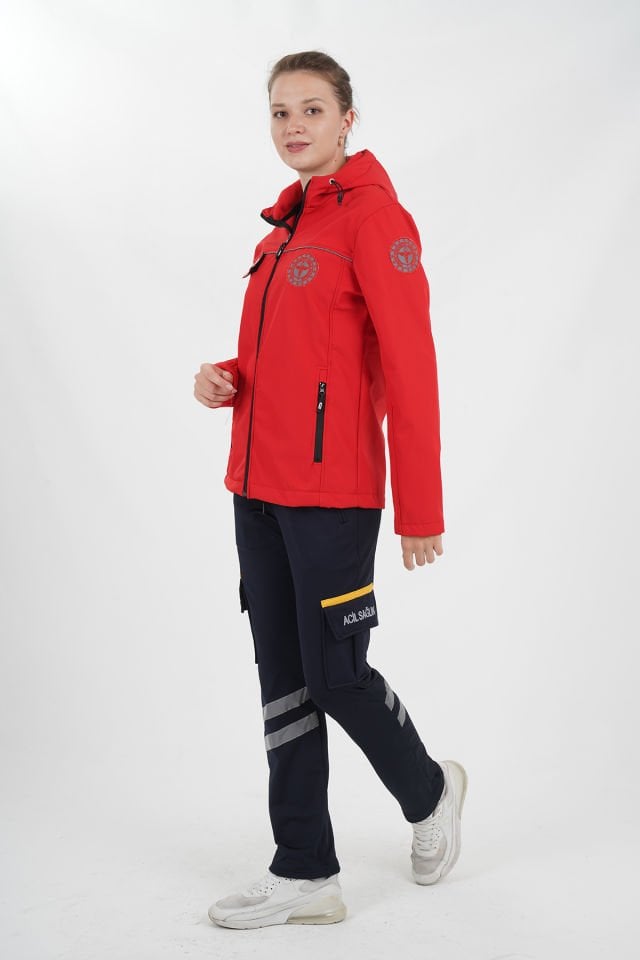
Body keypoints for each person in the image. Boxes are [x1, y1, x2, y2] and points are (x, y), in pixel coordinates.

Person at [193, 50, 468, 931]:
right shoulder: (282, 231)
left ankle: (429, 791)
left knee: (335, 675)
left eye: (312, 109)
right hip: (257, 490)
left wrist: (420, 507)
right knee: (283, 677)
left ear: (348, 119)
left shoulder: (375, 219)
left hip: (333, 496)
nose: (294, 126)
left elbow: (411, 366)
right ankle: (305, 869)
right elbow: (296, 361)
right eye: (280, 112)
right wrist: (228, 376)